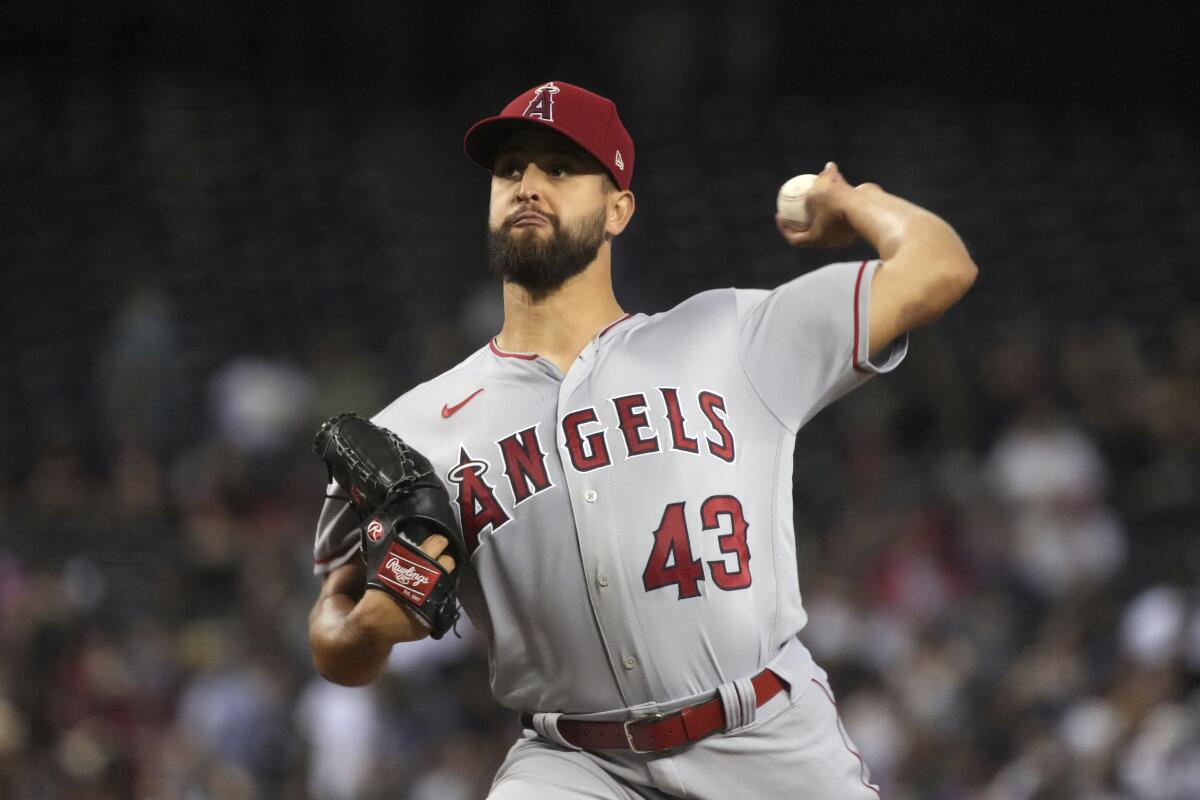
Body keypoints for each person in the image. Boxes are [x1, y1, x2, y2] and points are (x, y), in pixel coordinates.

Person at [307, 80, 977, 798]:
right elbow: (335, 639)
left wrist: (854, 201)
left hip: (767, 737)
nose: (528, 184)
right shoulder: (414, 427)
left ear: (618, 207)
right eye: (511, 170)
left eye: (560, 169)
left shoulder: (730, 335)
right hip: (574, 763)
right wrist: (369, 626)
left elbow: (941, 266)